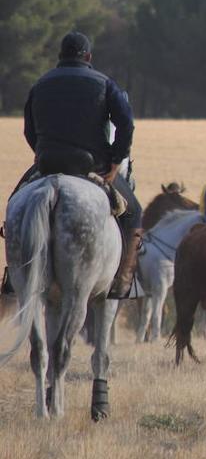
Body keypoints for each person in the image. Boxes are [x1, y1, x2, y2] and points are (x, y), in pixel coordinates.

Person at [12, 32, 143, 299]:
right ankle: (122, 282)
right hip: (91, 166)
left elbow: (28, 129)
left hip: (47, 163)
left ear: (60, 55)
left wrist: (41, 151)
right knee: (134, 213)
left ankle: (13, 277)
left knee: (15, 205)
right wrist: (116, 161)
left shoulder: (41, 83)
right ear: (89, 57)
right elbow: (126, 124)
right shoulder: (104, 83)